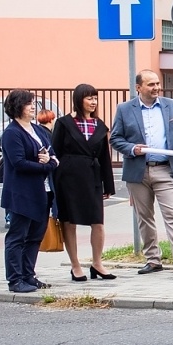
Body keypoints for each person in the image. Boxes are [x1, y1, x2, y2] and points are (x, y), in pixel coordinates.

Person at [109, 70, 173, 275]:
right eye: (151, 84)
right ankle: (153, 260)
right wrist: (132, 149)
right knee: (145, 217)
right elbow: (115, 138)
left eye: (157, 83)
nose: (156, 88)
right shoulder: (125, 109)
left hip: (165, 169)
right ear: (138, 88)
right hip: (138, 171)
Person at [51, 84, 117, 282]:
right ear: (79, 100)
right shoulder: (64, 123)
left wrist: (108, 185)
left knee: (97, 222)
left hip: (93, 177)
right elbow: (55, 152)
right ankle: (75, 265)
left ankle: (97, 263)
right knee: (69, 222)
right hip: (68, 179)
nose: (93, 102)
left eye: (95, 98)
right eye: (89, 98)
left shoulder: (99, 125)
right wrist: (54, 182)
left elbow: (105, 157)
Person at [2, 89, 59, 293]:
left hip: (42, 192)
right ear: (17, 106)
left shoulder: (39, 130)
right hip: (21, 193)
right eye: (28, 103)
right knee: (17, 236)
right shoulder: (11, 133)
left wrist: (49, 161)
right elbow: (19, 163)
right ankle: (15, 280)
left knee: (35, 235)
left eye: (33, 102)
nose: (33, 106)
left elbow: (53, 156)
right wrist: (45, 165)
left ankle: (28, 275)